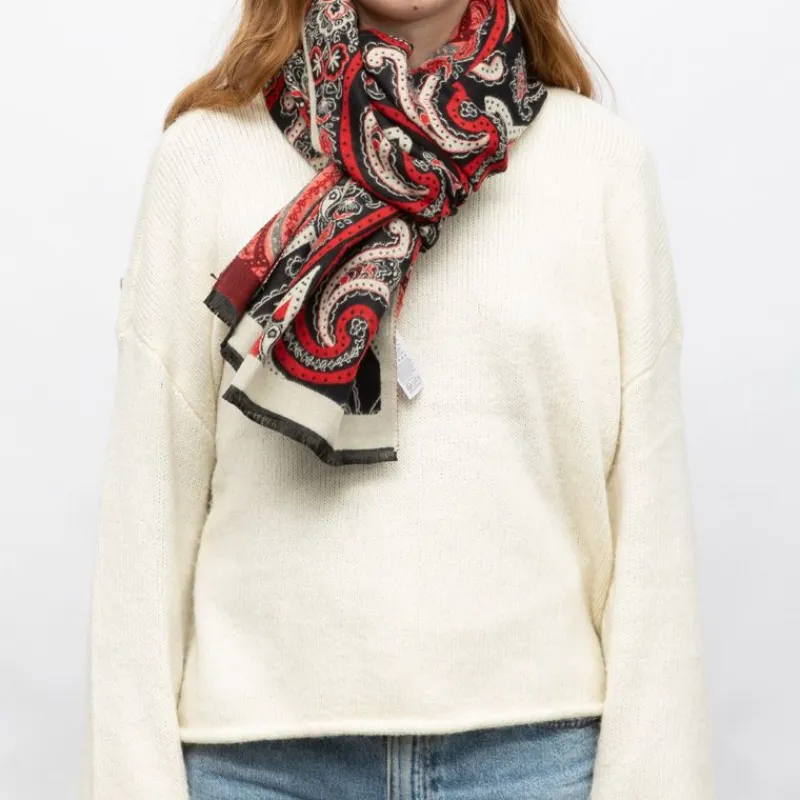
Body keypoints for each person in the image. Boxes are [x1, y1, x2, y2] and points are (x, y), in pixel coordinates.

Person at [83, 0, 715, 797]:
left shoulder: (600, 166)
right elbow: (146, 519)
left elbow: (652, 521)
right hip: (260, 766)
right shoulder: (204, 160)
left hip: (535, 763)